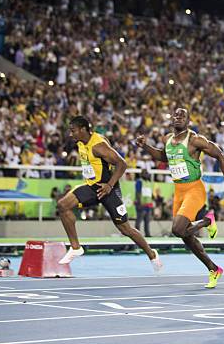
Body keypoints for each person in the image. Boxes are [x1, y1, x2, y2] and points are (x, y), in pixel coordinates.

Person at [136, 107, 224, 288]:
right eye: (176, 115)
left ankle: (207, 220)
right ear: (171, 119)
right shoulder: (167, 139)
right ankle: (214, 269)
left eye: (183, 116)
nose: (178, 117)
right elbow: (163, 157)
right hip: (178, 191)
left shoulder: (195, 140)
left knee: (177, 229)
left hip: (194, 189)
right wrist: (145, 146)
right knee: (186, 236)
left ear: (188, 121)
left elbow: (220, 154)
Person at [57, 116, 162, 271]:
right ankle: (75, 247)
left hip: (109, 189)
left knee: (126, 229)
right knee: (63, 205)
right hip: (93, 187)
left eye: (73, 131)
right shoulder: (80, 142)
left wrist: (109, 185)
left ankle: (152, 254)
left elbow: (122, 163)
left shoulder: (98, 146)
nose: (70, 134)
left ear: (83, 129)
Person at [134, 169, 153, 237]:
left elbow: (149, 194)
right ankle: (136, 235)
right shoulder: (139, 181)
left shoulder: (148, 182)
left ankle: (147, 234)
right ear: (142, 174)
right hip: (141, 204)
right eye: (146, 173)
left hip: (148, 205)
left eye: (147, 173)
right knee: (139, 221)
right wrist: (139, 203)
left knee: (147, 221)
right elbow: (138, 192)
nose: (147, 174)